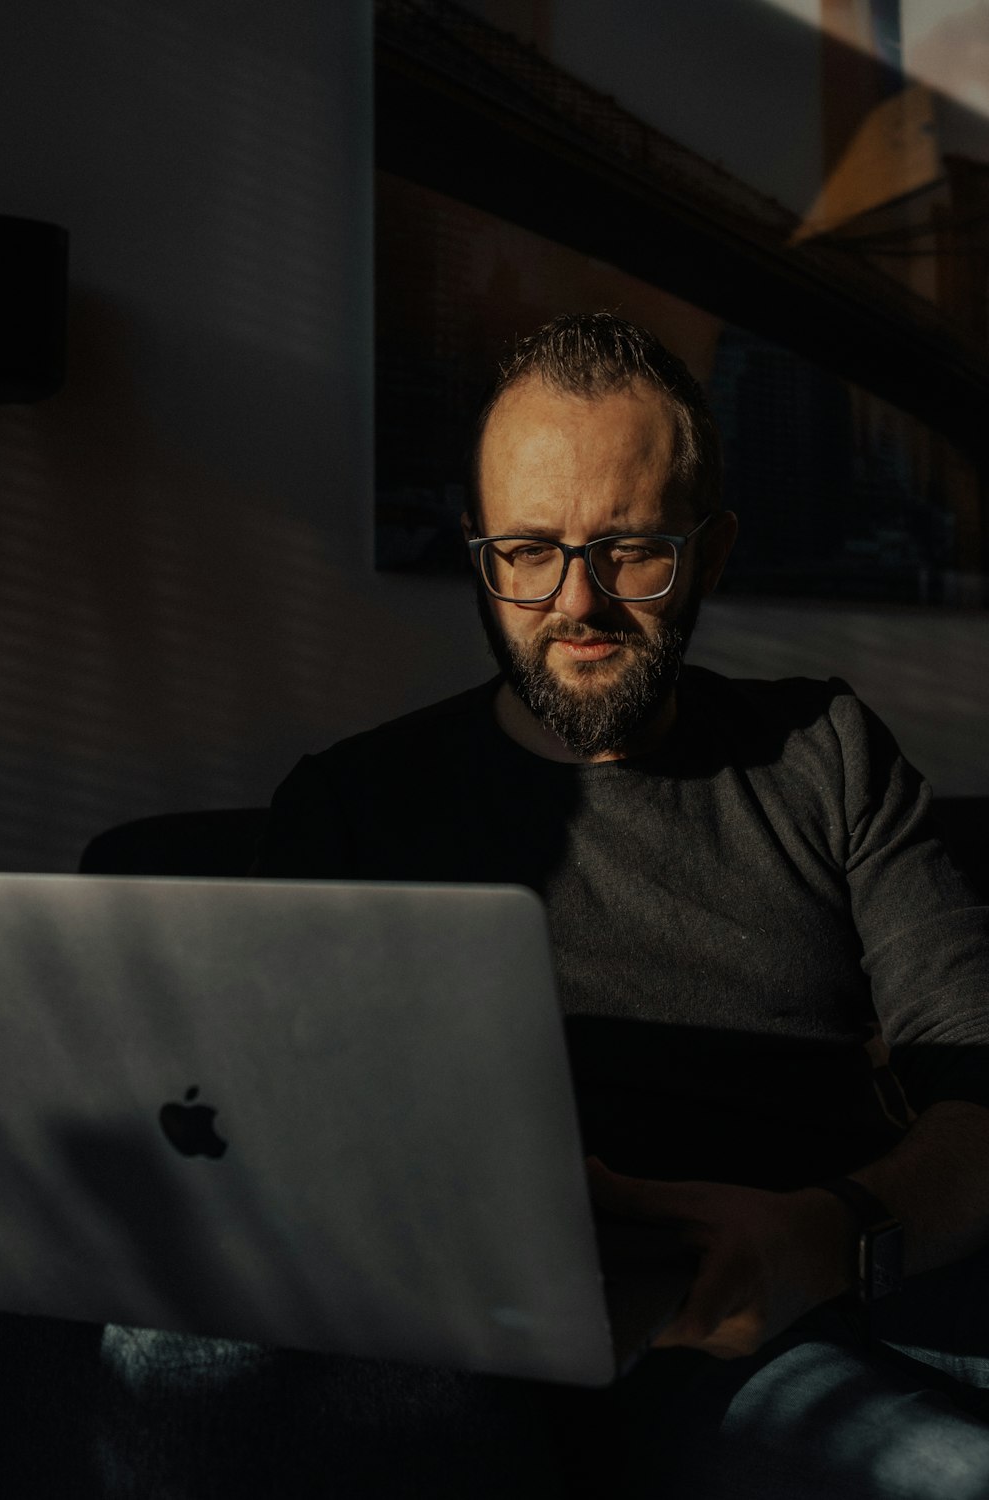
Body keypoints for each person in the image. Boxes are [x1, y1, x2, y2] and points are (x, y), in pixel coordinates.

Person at [255, 313, 989, 1497]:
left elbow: (981, 1089)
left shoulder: (826, 751)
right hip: (537, 1337)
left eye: (632, 549)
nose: (576, 603)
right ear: (481, 555)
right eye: (528, 550)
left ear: (712, 552)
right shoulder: (353, 804)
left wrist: (830, 1233)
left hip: (839, 1263)